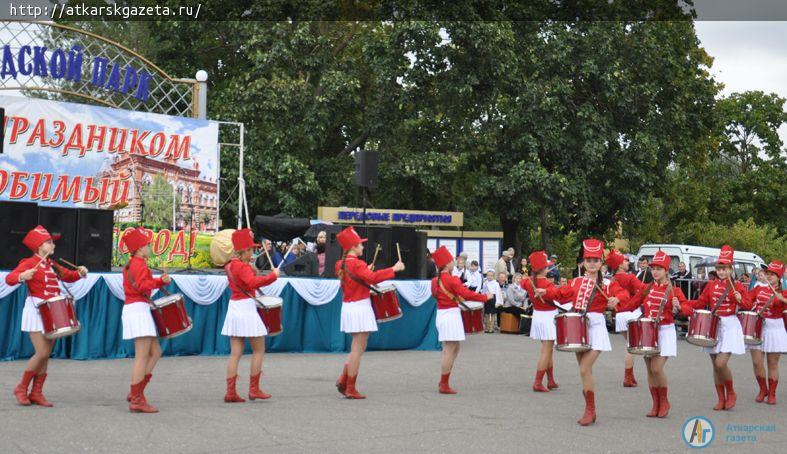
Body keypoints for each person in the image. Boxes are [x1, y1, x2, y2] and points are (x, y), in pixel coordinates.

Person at [6, 226, 88, 407]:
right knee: (42, 352)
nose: (53, 245)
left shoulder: (52, 264)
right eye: (49, 242)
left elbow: (69, 276)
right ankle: (21, 387)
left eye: (52, 242)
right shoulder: (28, 262)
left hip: (53, 311)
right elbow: (9, 278)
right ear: (39, 246)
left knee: (46, 354)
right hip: (36, 310)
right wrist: (22, 276)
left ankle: (36, 392)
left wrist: (80, 272)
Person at [552, 239, 630, 426]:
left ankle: (590, 410)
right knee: (585, 372)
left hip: (596, 327)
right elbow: (560, 294)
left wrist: (615, 299)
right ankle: (589, 409)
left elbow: (625, 294)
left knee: (584, 368)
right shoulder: (577, 281)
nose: (592, 263)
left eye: (596, 260)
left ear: (601, 263)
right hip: (578, 327)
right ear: (584, 262)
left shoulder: (608, 283)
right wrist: (544, 290)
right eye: (589, 260)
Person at [334, 227, 405, 399]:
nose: (363, 248)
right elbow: (372, 279)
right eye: (360, 245)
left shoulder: (340, 264)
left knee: (357, 347)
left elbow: (360, 277)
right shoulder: (357, 264)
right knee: (357, 349)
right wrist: (393, 269)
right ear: (353, 247)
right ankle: (350, 386)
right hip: (360, 307)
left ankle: (344, 380)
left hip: (349, 307)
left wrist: (367, 269)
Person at [616, 251, 687, 417]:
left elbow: (686, 310)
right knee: (649, 369)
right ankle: (655, 404)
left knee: (657, 368)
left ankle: (665, 400)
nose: (655, 272)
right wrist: (615, 306)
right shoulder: (648, 287)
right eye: (653, 268)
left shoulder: (674, 290)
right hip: (648, 332)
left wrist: (681, 307)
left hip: (665, 331)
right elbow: (632, 303)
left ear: (666, 271)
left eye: (659, 269)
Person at [681, 245, 751, 411]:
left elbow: (748, 305)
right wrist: (682, 303)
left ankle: (731, 392)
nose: (721, 272)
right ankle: (721, 398)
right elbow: (699, 303)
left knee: (720, 364)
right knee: (715, 365)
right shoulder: (711, 285)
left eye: (724, 269)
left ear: (730, 269)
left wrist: (740, 299)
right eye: (719, 268)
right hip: (714, 326)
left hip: (730, 326)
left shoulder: (738, 286)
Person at [222, 228, 281, 403]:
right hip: (246, 308)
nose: (253, 252)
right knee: (259, 349)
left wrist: (251, 267)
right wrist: (273, 276)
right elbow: (252, 282)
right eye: (251, 250)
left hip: (234, 307)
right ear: (245, 251)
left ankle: (230, 391)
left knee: (235, 353)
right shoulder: (241, 266)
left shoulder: (231, 265)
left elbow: (246, 279)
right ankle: (254, 389)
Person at [120, 227, 171, 413]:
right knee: (142, 356)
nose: (150, 247)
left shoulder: (135, 263)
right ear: (140, 249)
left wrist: (158, 280)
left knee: (155, 352)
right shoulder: (139, 264)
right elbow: (142, 286)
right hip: (138, 309)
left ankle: (137, 390)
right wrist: (160, 282)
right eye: (147, 244)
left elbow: (141, 283)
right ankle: (136, 398)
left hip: (138, 309)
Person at [430, 246, 494, 394]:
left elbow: (435, 295)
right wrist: (485, 297)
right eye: (452, 260)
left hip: (443, 314)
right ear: (447, 264)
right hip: (451, 315)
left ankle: (444, 379)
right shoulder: (452, 280)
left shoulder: (435, 280)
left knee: (455, 347)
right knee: (449, 349)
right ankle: (444, 383)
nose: (454, 262)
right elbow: (466, 293)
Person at [520, 251, 565, 392]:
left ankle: (550, 380)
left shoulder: (529, 282)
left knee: (548, 350)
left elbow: (522, 283)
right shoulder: (547, 284)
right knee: (546, 351)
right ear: (544, 269)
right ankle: (538, 383)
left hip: (538, 315)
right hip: (548, 317)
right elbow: (559, 296)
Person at [745, 260, 786, 405]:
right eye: (767, 273)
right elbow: (747, 301)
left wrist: (783, 300)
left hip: (775, 328)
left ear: (779, 277)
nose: (768, 276)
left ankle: (772, 393)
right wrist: (739, 297)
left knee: (772, 363)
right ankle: (763, 390)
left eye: (772, 275)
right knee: (757, 362)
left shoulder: (784, 293)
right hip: (758, 327)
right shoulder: (758, 289)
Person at [606, 249, 646, 388]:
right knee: (631, 346)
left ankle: (631, 376)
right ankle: (627, 377)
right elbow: (643, 289)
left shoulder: (612, 280)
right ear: (619, 265)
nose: (627, 262)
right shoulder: (630, 278)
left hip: (619, 315)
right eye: (624, 260)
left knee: (630, 344)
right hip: (630, 313)